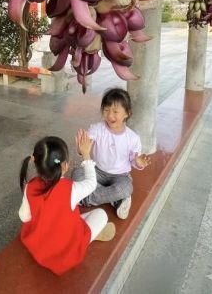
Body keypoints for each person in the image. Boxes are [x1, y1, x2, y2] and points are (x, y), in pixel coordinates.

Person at [18, 133, 116, 275]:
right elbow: (91, 183)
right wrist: (86, 154)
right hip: (65, 254)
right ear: (64, 165)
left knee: (66, 216)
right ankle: (86, 239)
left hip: (39, 248)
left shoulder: (30, 186)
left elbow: (24, 217)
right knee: (101, 214)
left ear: (36, 162)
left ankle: (81, 231)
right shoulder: (71, 189)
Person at [72, 88, 151, 220]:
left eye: (115, 111)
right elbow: (85, 147)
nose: (110, 115)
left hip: (120, 176)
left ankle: (87, 198)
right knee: (77, 174)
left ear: (127, 113)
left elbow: (134, 160)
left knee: (125, 188)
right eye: (106, 110)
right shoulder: (97, 129)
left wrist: (138, 162)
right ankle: (116, 200)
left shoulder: (133, 138)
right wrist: (81, 149)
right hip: (98, 171)